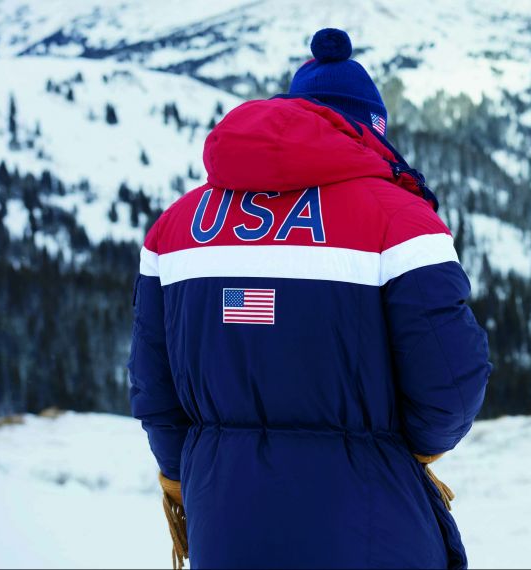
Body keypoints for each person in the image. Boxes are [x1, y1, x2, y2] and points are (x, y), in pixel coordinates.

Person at [128, 28, 491, 570]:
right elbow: (452, 384)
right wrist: (403, 451)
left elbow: (155, 389)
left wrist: (184, 478)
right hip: (373, 527)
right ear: (371, 130)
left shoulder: (175, 229)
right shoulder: (401, 220)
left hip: (225, 528)